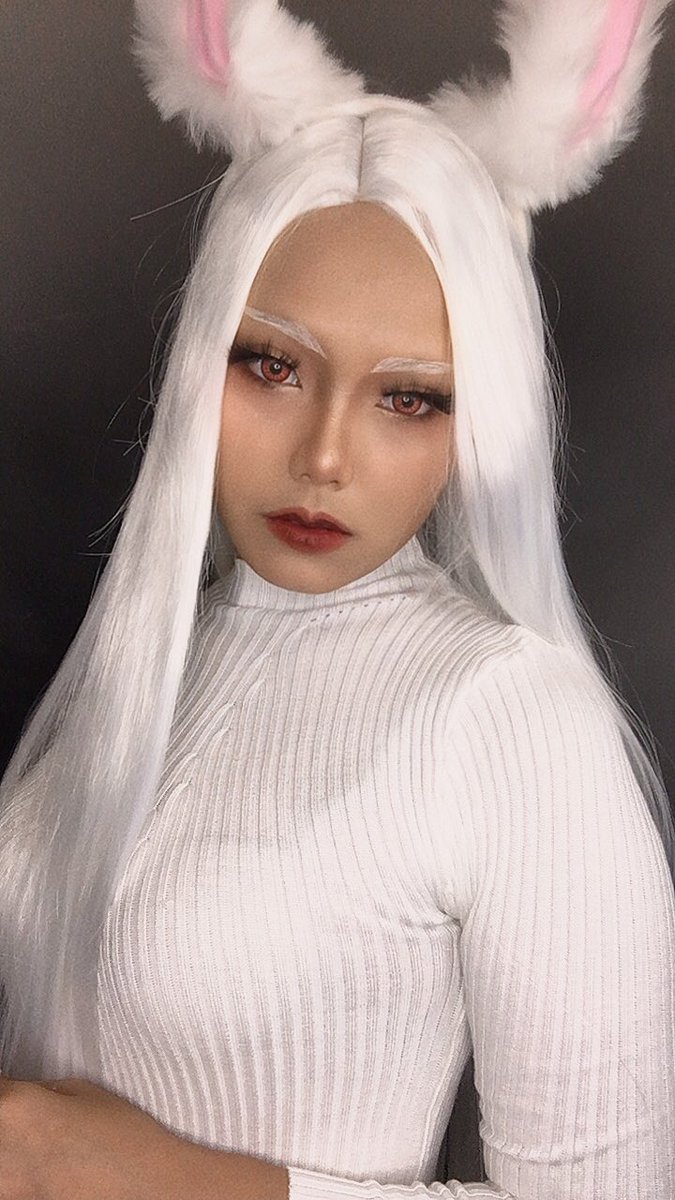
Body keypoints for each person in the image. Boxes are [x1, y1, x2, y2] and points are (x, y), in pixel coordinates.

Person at [0, 1, 673, 1197]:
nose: (323, 457)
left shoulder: (510, 718)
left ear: (480, 424)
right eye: (273, 365)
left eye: (408, 398)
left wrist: (132, 1173)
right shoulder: (155, 665)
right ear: (200, 356)